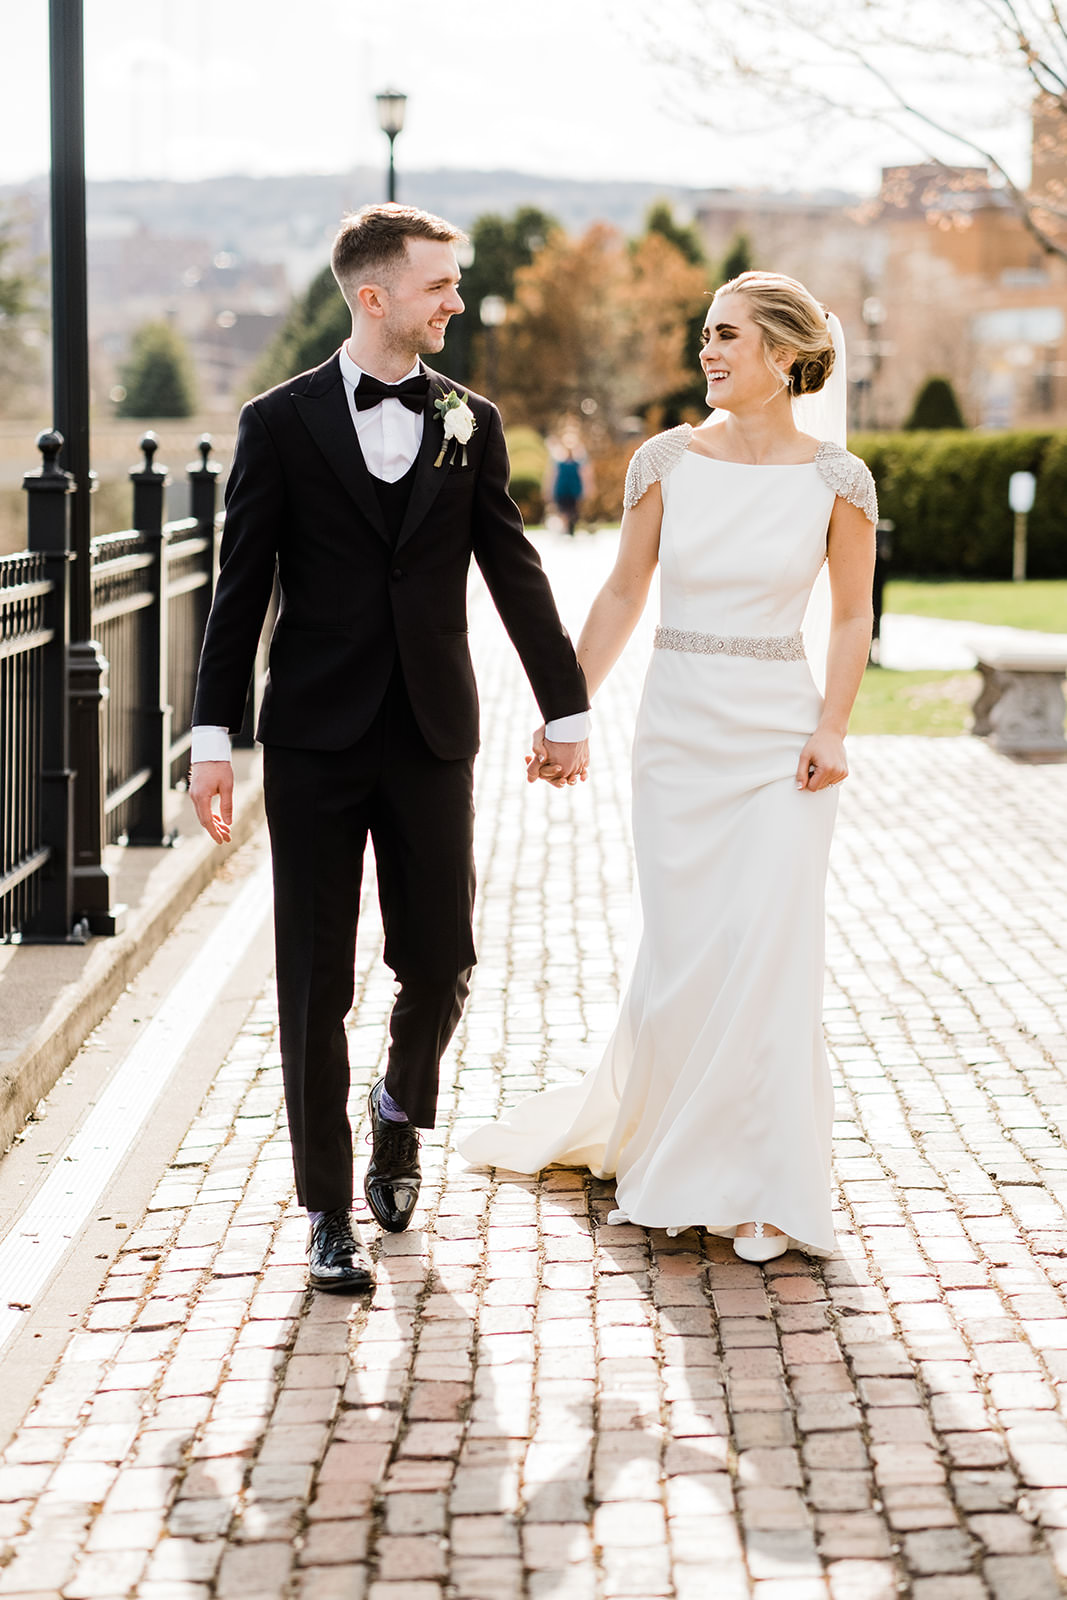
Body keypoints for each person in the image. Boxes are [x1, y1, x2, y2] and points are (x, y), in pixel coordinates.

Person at [189, 204, 590, 1293]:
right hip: (312, 741)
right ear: (373, 297)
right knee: (313, 985)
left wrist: (567, 706)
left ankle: (399, 1110)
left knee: (443, 959)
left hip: (429, 733)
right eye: (438, 286)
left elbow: (512, 568)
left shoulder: (472, 419)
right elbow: (241, 592)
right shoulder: (278, 424)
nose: (456, 301)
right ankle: (326, 1211)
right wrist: (210, 735)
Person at [460, 271, 877, 1263]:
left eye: (727, 336)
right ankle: (681, 1157)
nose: (707, 352)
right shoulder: (663, 462)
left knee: (770, 955)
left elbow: (853, 614)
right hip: (679, 736)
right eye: (704, 336)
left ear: (782, 355)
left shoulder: (837, 479)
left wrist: (832, 726)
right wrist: (570, 706)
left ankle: (765, 1189)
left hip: (781, 746)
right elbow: (617, 595)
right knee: (691, 951)